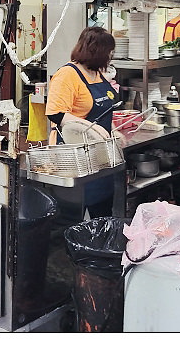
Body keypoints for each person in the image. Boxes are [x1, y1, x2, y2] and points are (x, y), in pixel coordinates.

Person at [46, 27, 118, 217]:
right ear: (97, 52)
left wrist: (113, 130)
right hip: (74, 156)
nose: (110, 57)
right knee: (73, 215)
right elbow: (56, 114)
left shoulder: (97, 74)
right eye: (108, 52)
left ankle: (100, 245)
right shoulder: (67, 75)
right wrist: (92, 128)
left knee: (102, 211)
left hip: (99, 155)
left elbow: (103, 110)